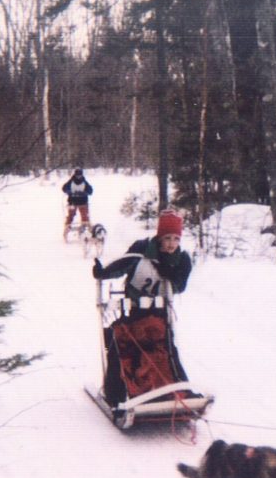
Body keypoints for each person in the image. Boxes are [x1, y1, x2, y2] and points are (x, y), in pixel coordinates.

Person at [92, 209, 193, 405]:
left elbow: (180, 285)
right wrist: (102, 273)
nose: (172, 244)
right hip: (134, 312)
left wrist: (168, 272)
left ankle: (178, 391)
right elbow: (121, 266)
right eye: (167, 238)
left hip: (160, 314)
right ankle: (115, 395)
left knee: (166, 348)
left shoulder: (182, 259)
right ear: (159, 237)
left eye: (176, 239)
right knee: (119, 342)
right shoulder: (142, 249)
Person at [62, 168, 93, 240]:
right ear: (75, 175)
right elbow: (64, 188)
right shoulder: (71, 181)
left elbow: (90, 191)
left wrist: (86, 192)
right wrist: (69, 191)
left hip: (83, 202)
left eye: (80, 175)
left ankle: (84, 228)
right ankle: (67, 228)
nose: (78, 176)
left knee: (85, 217)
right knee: (71, 216)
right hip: (72, 202)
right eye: (77, 175)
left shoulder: (84, 182)